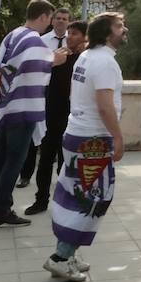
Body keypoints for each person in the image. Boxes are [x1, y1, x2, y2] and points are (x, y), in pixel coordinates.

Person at [46, 11, 128, 282]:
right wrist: (117, 137)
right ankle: (60, 257)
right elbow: (105, 106)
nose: (124, 29)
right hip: (93, 139)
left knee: (76, 195)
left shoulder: (86, 56)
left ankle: (67, 253)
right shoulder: (104, 62)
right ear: (107, 33)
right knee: (93, 199)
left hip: (77, 134)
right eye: (119, 26)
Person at [0, 0, 62, 228]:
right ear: (43, 16)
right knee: (14, 161)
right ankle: (1, 211)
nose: (50, 24)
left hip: (4, 106)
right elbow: (35, 68)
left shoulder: (13, 35)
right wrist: (56, 60)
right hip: (22, 108)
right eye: (50, 19)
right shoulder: (33, 40)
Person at [24, 19, 86, 216]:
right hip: (51, 116)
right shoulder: (57, 57)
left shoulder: (86, 61)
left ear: (86, 37)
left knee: (67, 163)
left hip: (73, 119)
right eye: (69, 32)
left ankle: (67, 201)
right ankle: (41, 200)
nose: (70, 36)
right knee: (45, 161)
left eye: (75, 33)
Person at [20, 5, 74, 187]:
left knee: (61, 140)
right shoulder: (41, 40)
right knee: (34, 138)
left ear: (69, 22)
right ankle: (26, 174)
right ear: (52, 20)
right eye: (58, 18)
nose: (61, 21)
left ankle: (61, 176)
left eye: (65, 19)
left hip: (64, 99)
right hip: (42, 95)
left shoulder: (72, 43)